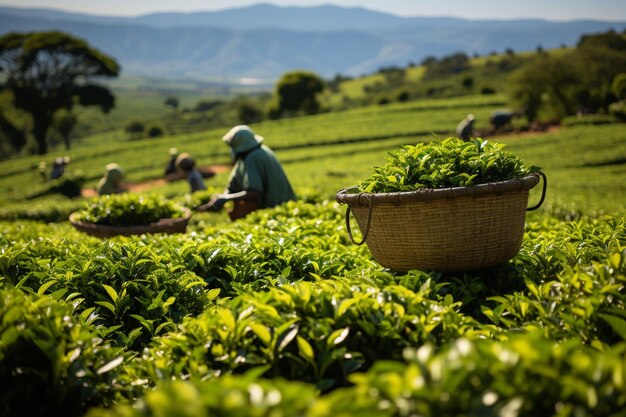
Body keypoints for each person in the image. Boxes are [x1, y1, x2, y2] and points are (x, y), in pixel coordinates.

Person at [197, 125, 295, 220]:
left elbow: (254, 192)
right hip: (287, 205)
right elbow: (233, 185)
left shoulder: (253, 158)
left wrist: (225, 198)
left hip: (277, 210)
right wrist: (223, 197)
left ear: (239, 146)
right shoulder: (251, 155)